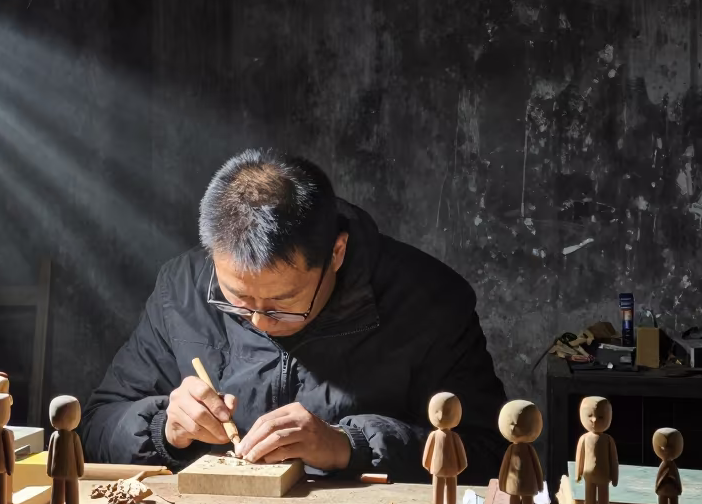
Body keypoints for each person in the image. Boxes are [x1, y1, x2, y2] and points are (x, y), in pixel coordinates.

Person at [80, 149, 508, 482]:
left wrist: (349, 446)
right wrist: (164, 428)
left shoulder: (429, 299)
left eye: (284, 304)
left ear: (336, 253)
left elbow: (490, 456)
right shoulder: (183, 287)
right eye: (239, 301)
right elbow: (95, 429)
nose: (261, 322)